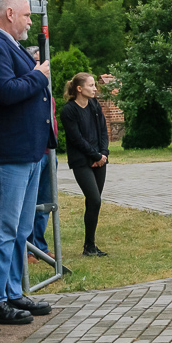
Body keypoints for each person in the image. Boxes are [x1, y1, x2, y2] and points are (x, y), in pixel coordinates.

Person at [0, 0, 55, 324]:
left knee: (21, 229)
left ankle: (11, 292)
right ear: (9, 13)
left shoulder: (10, 46)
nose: (30, 22)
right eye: (26, 16)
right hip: (7, 152)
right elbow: (6, 92)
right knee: (4, 228)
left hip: (27, 151)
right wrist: (39, 74)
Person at [61, 72, 110, 256]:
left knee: (94, 203)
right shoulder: (69, 111)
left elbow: (103, 131)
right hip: (81, 161)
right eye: (91, 85)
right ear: (79, 89)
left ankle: (89, 246)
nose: (95, 88)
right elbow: (76, 139)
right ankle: (89, 246)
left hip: (100, 160)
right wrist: (95, 155)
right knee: (94, 199)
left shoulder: (95, 105)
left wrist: (103, 154)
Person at [25, 46, 56, 264]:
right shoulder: (27, 88)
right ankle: (26, 250)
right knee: (28, 204)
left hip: (50, 152)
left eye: (44, 61)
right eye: (37, 60)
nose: (43, 64)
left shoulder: (47, 90)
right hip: (32, 153)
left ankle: (40, 247)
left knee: (45, 203)